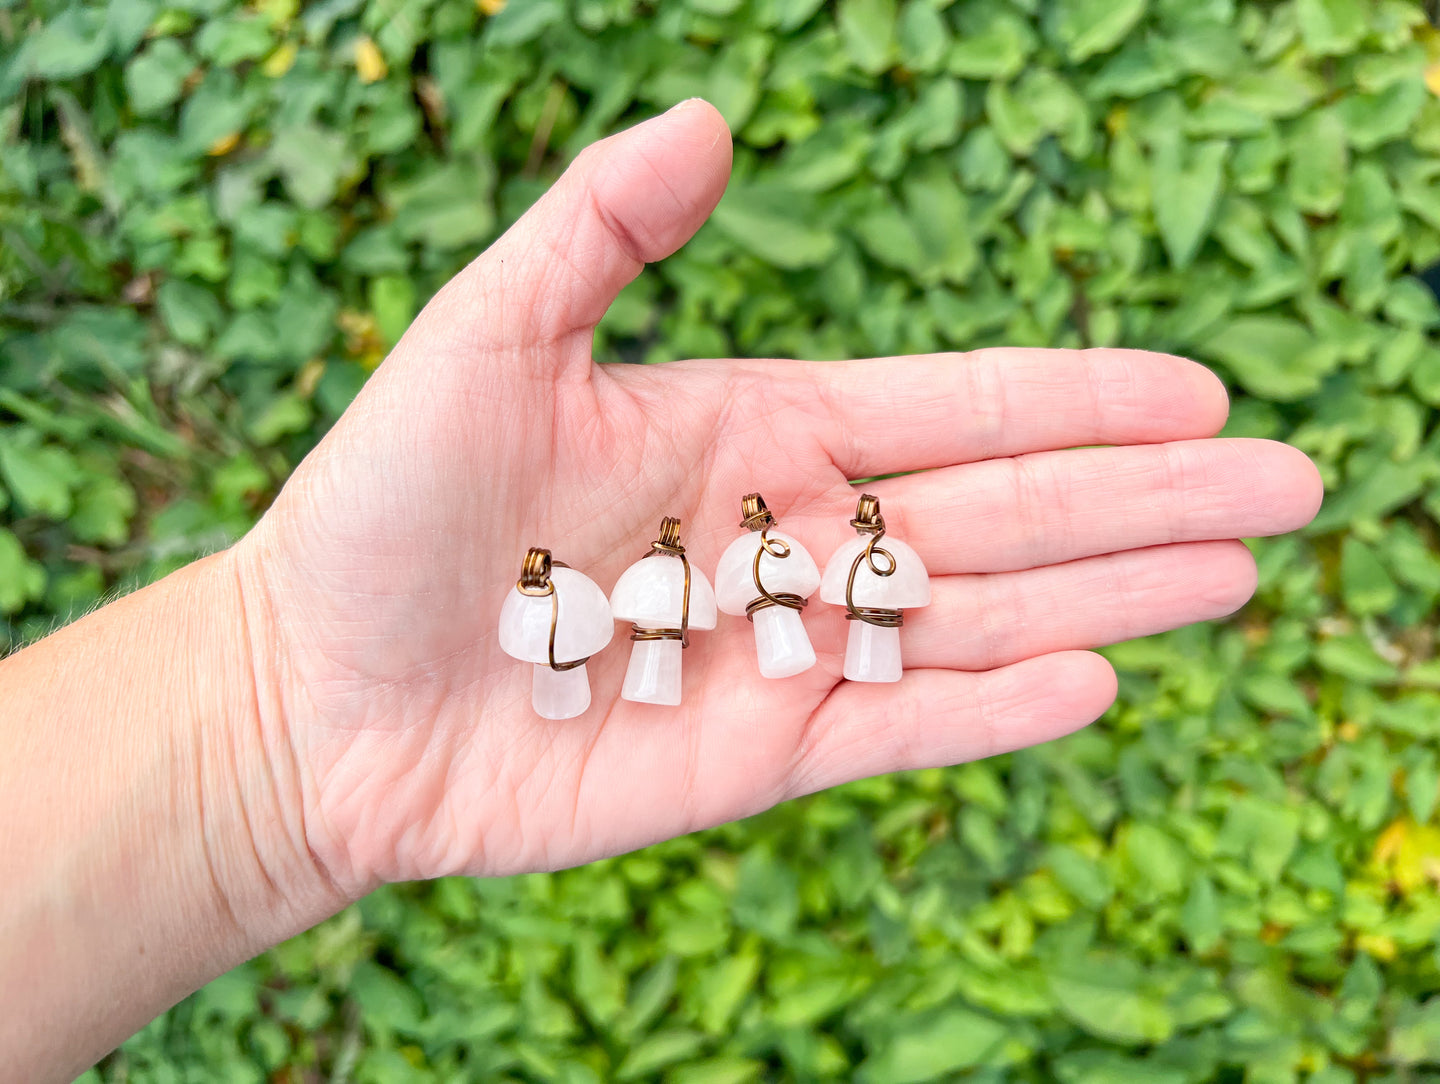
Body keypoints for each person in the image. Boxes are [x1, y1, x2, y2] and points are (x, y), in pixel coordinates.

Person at [0, 100, 1322, 1081]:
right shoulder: (629, 583)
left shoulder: (766, 566)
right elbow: (654, 602)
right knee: (654, 655)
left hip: (763, 621)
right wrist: (278, 707)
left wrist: (271, 731)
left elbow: (767, 581)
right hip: (656, 632)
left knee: (758, 648)